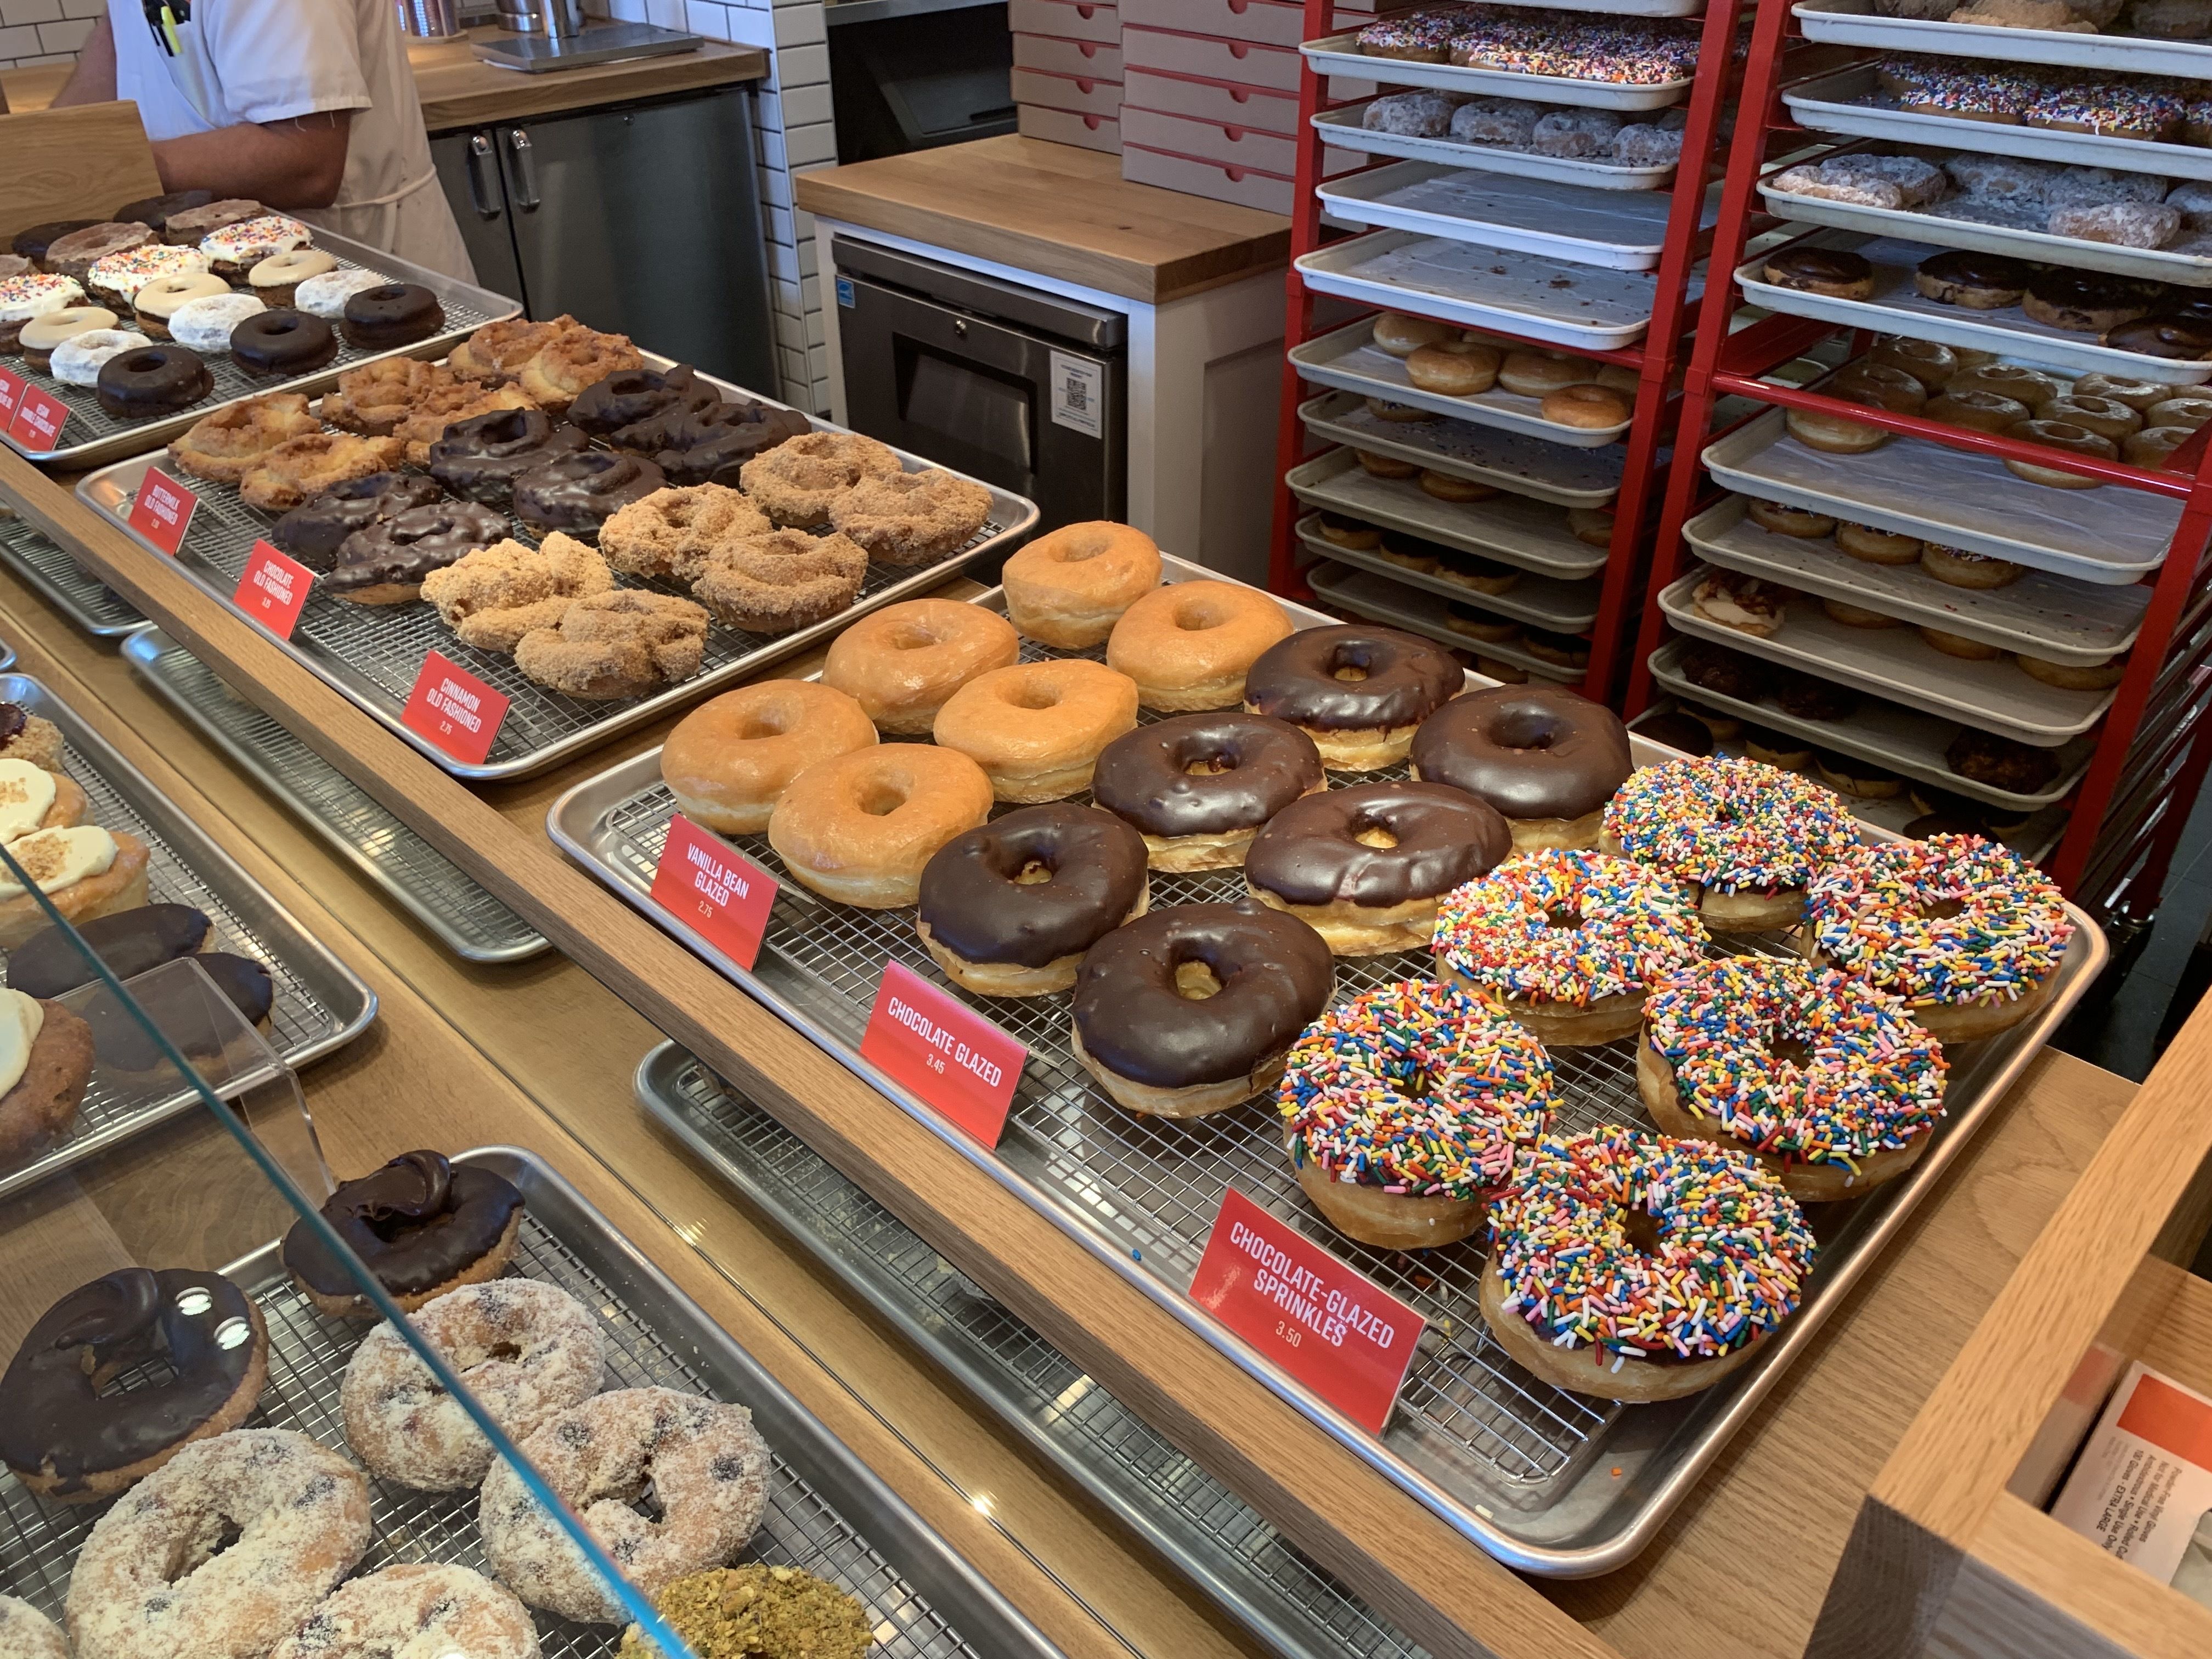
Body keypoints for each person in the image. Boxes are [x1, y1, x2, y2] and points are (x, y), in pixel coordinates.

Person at [44, 0, 473, 279]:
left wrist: (103, 173)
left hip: (351, 267)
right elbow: (117, 51)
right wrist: (35, 164)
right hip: (225, 267)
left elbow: (304, 163)